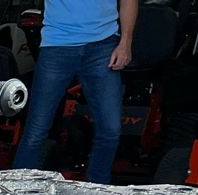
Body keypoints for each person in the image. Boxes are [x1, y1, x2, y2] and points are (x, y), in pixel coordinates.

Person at [11, 0, 137, 183]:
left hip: (103, 45)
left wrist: (125, 44)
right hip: (57, 45)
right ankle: (15, 191)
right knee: (36, 130)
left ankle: (97, 190)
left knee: (110, 129)